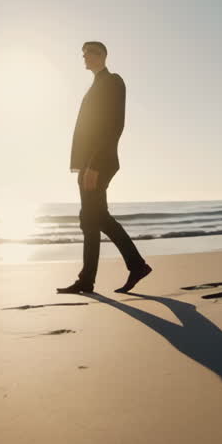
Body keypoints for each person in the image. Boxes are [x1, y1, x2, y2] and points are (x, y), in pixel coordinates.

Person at [57, 42, 152, 294]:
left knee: (94, 218)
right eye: (83, 53)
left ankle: (130, 266)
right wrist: (80, 165)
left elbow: (114, 124)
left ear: (101, 55)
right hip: (89, 163)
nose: (84, 57)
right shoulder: (95, 85)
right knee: (91, 219)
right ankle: (96, 277)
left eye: (88, 53)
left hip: (99, 162)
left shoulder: (113, 81)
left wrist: (94, 165)